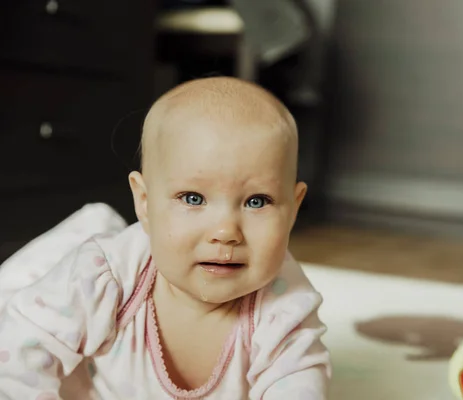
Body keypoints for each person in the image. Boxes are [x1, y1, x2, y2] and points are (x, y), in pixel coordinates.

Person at [0, 77, 331, 399]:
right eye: (193, 198)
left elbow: (299, 385)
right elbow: (17, 354)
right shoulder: (106, 275)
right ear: (143, 202)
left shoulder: (286, 307)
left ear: (292, 208)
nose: (226, 232)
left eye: (256, 201)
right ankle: (94, 223)